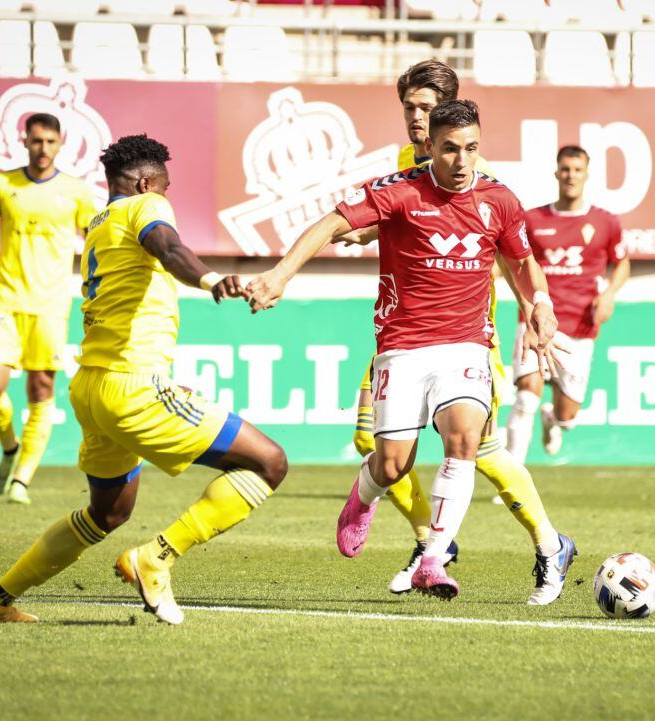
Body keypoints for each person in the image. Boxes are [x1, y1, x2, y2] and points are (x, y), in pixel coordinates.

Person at [247, 100, 575, 602]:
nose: (462, 161)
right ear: (430, 148)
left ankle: (433, 558)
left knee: (465, 439)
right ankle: (363, 497)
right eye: (450, 149)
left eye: (471, 148)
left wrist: (541, 304)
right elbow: (332, 223)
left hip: (465, 345)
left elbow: (523, 261)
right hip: (402, 347)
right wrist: (280, 275)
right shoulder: (399, 191)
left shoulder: (500, 199)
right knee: (392, 464)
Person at [0, 134, 287, 625]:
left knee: (107, 515)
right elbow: (169, 246)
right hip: (134, 385)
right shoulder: (145, 206)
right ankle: (156, 557)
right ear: (144, 182)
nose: (166, 197)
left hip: (92, 388)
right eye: (164, 188)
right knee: (269, 463)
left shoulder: (98, 224)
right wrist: (209, 278)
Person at [337, 60, 572, 605]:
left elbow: (509, 256)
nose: (415, 119)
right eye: (409, 108)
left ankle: (534, 542)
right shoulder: (407, 162)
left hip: (464, 336)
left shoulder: (470, 167)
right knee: (376, 442)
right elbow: (408, 213)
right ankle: (433, 543)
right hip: (406, 332)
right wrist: (367, 229)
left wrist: (536, 310)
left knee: (478, 449)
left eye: (425, 108)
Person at [0, 113, 97, 505]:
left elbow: (95, 244)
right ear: (25, 141)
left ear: (61, 143)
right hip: (6, 302)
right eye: (37, 141)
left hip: (51, 306)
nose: (44, 148)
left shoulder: (77, 191)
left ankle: (23, 479)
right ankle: (9, 446)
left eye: (51, 141)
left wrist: (98, 291)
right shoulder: (3, 183)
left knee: (41, 389)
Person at [506, 146, 629, 459]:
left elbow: (622, 263)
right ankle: (511, 481)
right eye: (565, 169)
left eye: (577, 169)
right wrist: (526, 307)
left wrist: (609, 293)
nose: (570, 175)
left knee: (568, 416)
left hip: (580, 325)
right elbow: (515, 263)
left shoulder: (606, 222)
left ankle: (554, 420)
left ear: (586, 174)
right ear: (556, 173)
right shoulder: (533, 220)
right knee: (525, 398)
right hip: (537, 319)